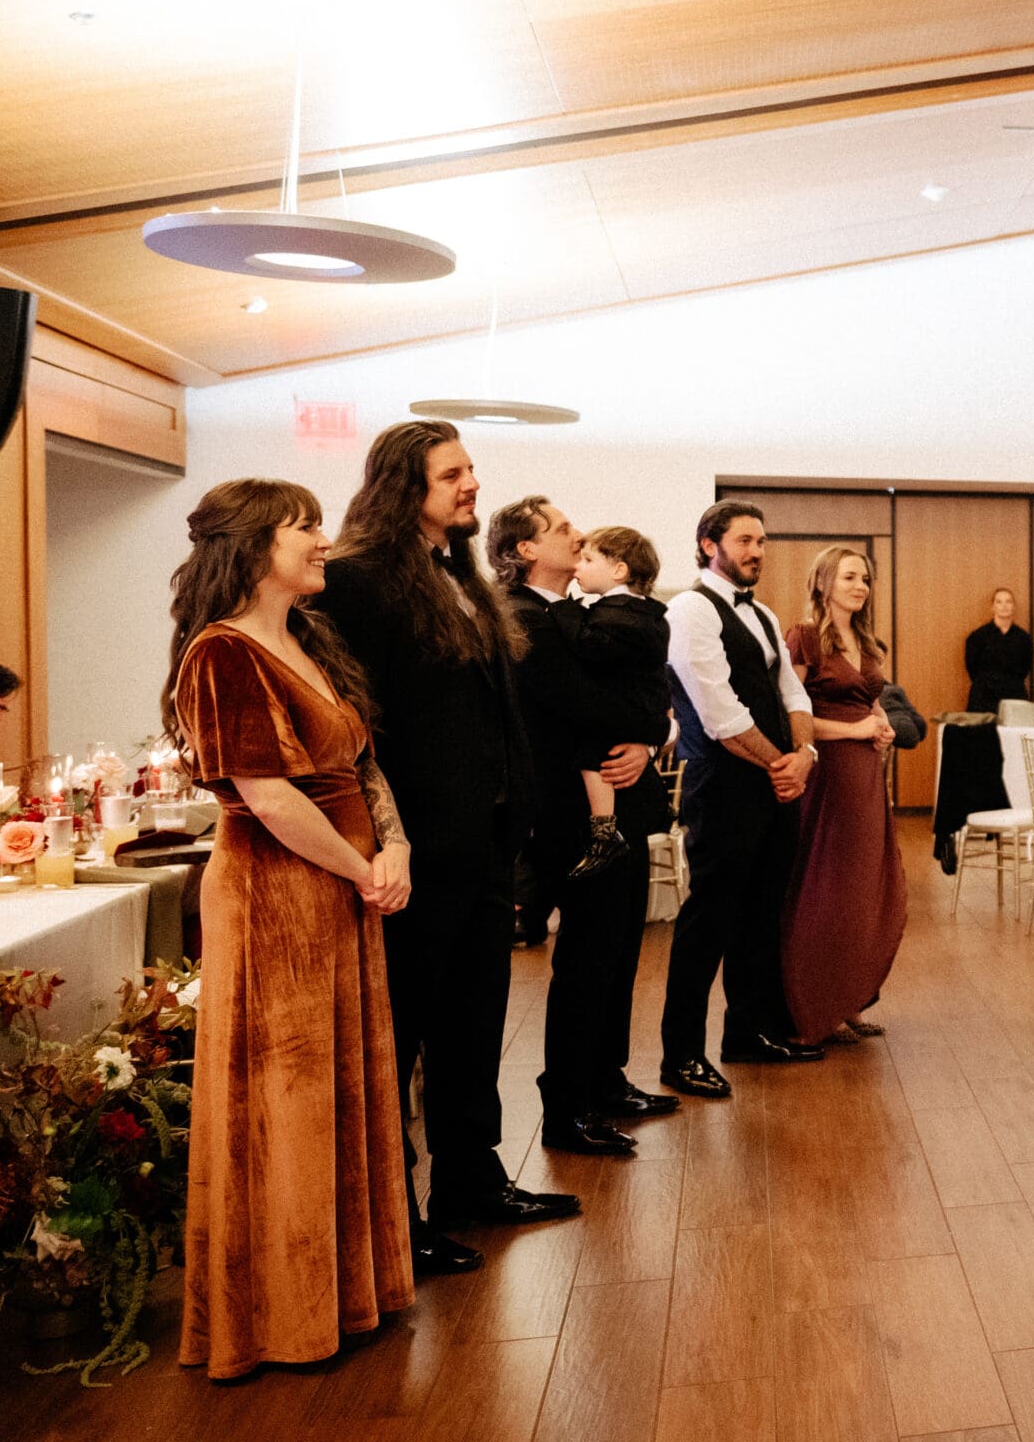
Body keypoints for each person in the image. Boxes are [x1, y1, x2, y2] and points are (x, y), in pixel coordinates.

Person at [165, 479, 414, 1376]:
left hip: (345, 886)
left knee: (342, 1080)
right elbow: (267, 797)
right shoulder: (220, 653)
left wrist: (397, 847)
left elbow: (361, 759)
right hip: (276, 892)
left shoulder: (305, 638)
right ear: (252, 548)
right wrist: (362, 867)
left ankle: (350, 1290)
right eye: (304, 527)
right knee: (285, 1096)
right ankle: (283, 1309)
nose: (321, 541)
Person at [315, 421, 573, 1271]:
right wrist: (390, 837)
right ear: (403, 486)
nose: (471, 484)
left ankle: (472, 1178)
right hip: (418, 843)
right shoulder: (356, 581)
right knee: (406, 1033)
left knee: (475, 1023)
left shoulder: (459, 573)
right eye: (451, 473)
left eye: (469, 470)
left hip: (485, 838)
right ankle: (396, 1214)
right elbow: (360, 725)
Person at [488, 498, 673, 1160]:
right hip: (568, 809)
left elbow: (652, 689)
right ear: (526, 548)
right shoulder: (518, 614)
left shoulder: (581, 612)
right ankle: (568, 1108)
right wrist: (645, 726)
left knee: (619, 947)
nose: (578, 533)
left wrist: (646, 739)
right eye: (563, 529)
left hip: (612, 798)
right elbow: (584, 702)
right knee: (586, 960)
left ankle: (606, 1077)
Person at [661, 499, 823, 1097]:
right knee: (709, 919)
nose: (757, 551)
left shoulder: (762, 612)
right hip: (723, 787)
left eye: (762, 541)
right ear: (710, 544)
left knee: (761, 911)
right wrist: (781, 763)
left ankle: (746, 1034)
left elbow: (793, 696)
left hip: (775, 782)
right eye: (746, 540)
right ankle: (680, 1053)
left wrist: (803, 757)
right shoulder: (689, 611)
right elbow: (720, 713)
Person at [781, 546, 909, 1041]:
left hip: (866, 775)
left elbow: (872, 702)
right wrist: (855, 733)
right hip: (827, 771)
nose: (861, 586)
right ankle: (817, 1002)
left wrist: (881, 726)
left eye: (866, 579)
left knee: (863, 887)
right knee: (827, 886)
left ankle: (852, 995)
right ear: (823, 582)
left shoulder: (866, 640)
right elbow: (794, 715)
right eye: (850, 577)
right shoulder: (805, 637)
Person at [964, 586, 1033, 713]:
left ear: (1014, 607)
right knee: (981, 732)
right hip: (983, 696)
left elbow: (1025, 668)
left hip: (1014, 694)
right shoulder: (977, 637)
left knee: (1018, 732)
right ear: (992, 607)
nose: (1004, 606)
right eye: (999, 602)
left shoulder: (1024, 638)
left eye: (1008, 601)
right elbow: (972, 668)